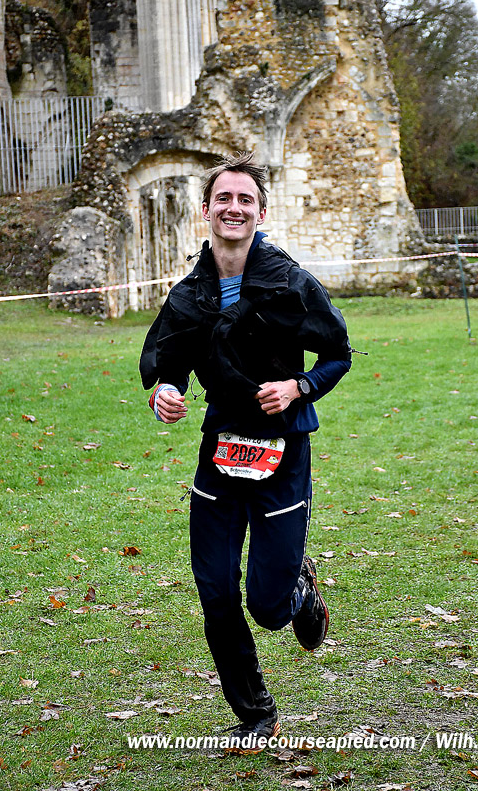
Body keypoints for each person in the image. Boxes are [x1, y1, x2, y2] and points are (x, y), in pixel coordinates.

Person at [139, 151, 351, 748]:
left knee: (267, 606)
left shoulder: (291, 283)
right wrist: (166, 393)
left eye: (246, 200)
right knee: (213, 588)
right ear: (206, 209)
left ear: (261, 213)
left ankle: (297, 588)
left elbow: (338, 353)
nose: (234, 208)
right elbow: (171, 363)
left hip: (282, 450)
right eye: (224, 199)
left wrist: (299, 386)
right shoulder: (189, 294)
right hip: (221, 450)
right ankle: (256, 711)